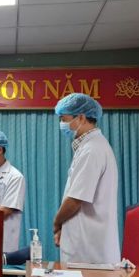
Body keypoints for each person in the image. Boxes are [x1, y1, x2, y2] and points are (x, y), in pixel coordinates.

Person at [53, 93, 120, 264]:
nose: (62, 124)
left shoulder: (92, 150)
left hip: (88, 246)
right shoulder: (89, 147)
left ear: (81, 118)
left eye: (64, 119)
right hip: (84, 240)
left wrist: (57, 223)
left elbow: (75, 200)